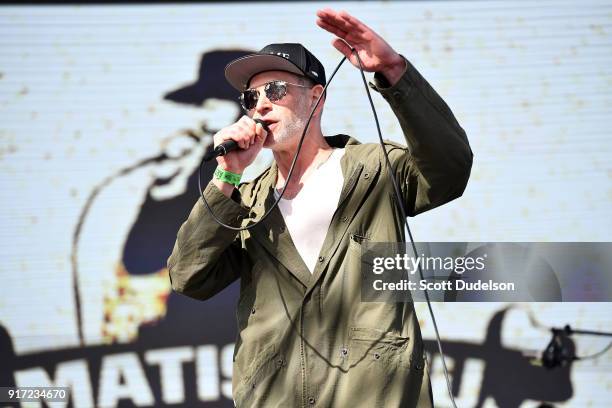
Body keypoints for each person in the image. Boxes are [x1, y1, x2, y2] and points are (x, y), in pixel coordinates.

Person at [168, 8, 472, 408]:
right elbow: (188, 277)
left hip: (374, 395)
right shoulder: (246, 203)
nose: (260, 106)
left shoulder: (372, 168)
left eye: (275, 90)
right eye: (250, 98)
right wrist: (227, 176)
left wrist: (395, 72)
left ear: (316, 96)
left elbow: (450, 169)